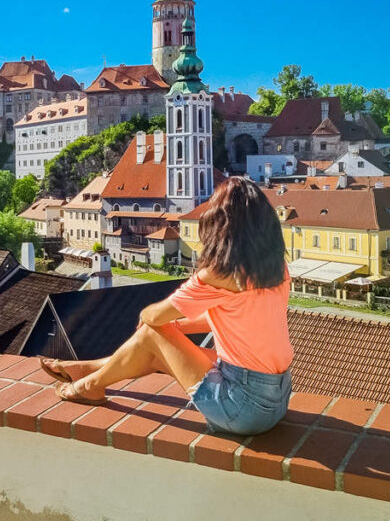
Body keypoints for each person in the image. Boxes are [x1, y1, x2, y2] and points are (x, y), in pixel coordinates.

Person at [42, 176, 293, 436]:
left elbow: (153, 317)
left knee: (152, 334)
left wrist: (154, 321)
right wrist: (176, 328)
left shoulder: (222, 274)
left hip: (242, 409)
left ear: (220, 223)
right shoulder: (277, 270)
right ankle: (90, 369)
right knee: (159, 348)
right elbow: (227, 318)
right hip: (277, 399)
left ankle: (89, 386)